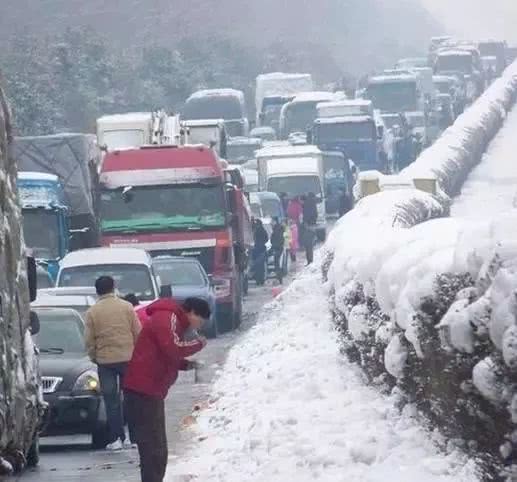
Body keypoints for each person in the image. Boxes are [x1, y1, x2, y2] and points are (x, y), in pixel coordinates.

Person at [123, 297, 209, 482]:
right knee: (154, 449)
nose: (196, 328)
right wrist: (199, 344)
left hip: (150, 390)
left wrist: (186, 365)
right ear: (192, 312)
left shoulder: (172, 320)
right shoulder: (167, 317)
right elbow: (172, 347)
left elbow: (164, 354)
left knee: (155, 449)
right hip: (143, 390)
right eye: (199, 321)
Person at [85, 276, 141, 450]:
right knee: (130, 399)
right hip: (128, 359)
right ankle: (133, 438)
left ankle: (116, 438)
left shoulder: (92, 312)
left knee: (111, 401)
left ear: (97, 291)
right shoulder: (127, 307)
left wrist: (94, 356)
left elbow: (89, 340)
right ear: (114, 288)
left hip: (105, 361)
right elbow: (137, 332)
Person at [252, 218, 269, 285]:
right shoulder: (262, 230)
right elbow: (266, 239)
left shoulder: (259, 231)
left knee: (258, 267)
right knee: (260, 267)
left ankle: (259, 280)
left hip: (259, 251)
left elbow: (266, 240)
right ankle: (260, 280)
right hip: (260, 250)